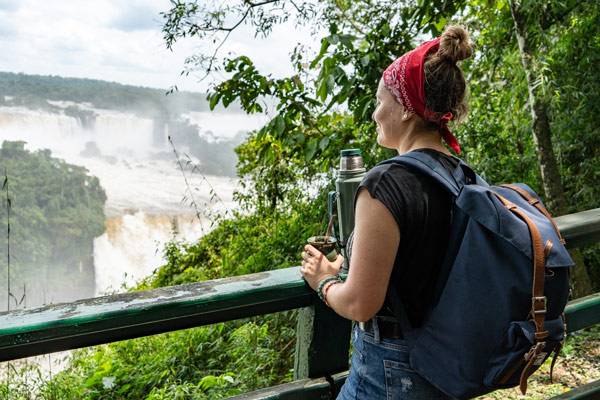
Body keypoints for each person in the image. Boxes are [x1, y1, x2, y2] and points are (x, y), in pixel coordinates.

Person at [300, 25, 474, 399]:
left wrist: (324, 282)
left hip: (392, 373)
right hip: (450, 361)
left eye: (381, 101)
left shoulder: (386, 182)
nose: (376, 113)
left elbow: (362, 303)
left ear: (406, 109)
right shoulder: (462, 174)